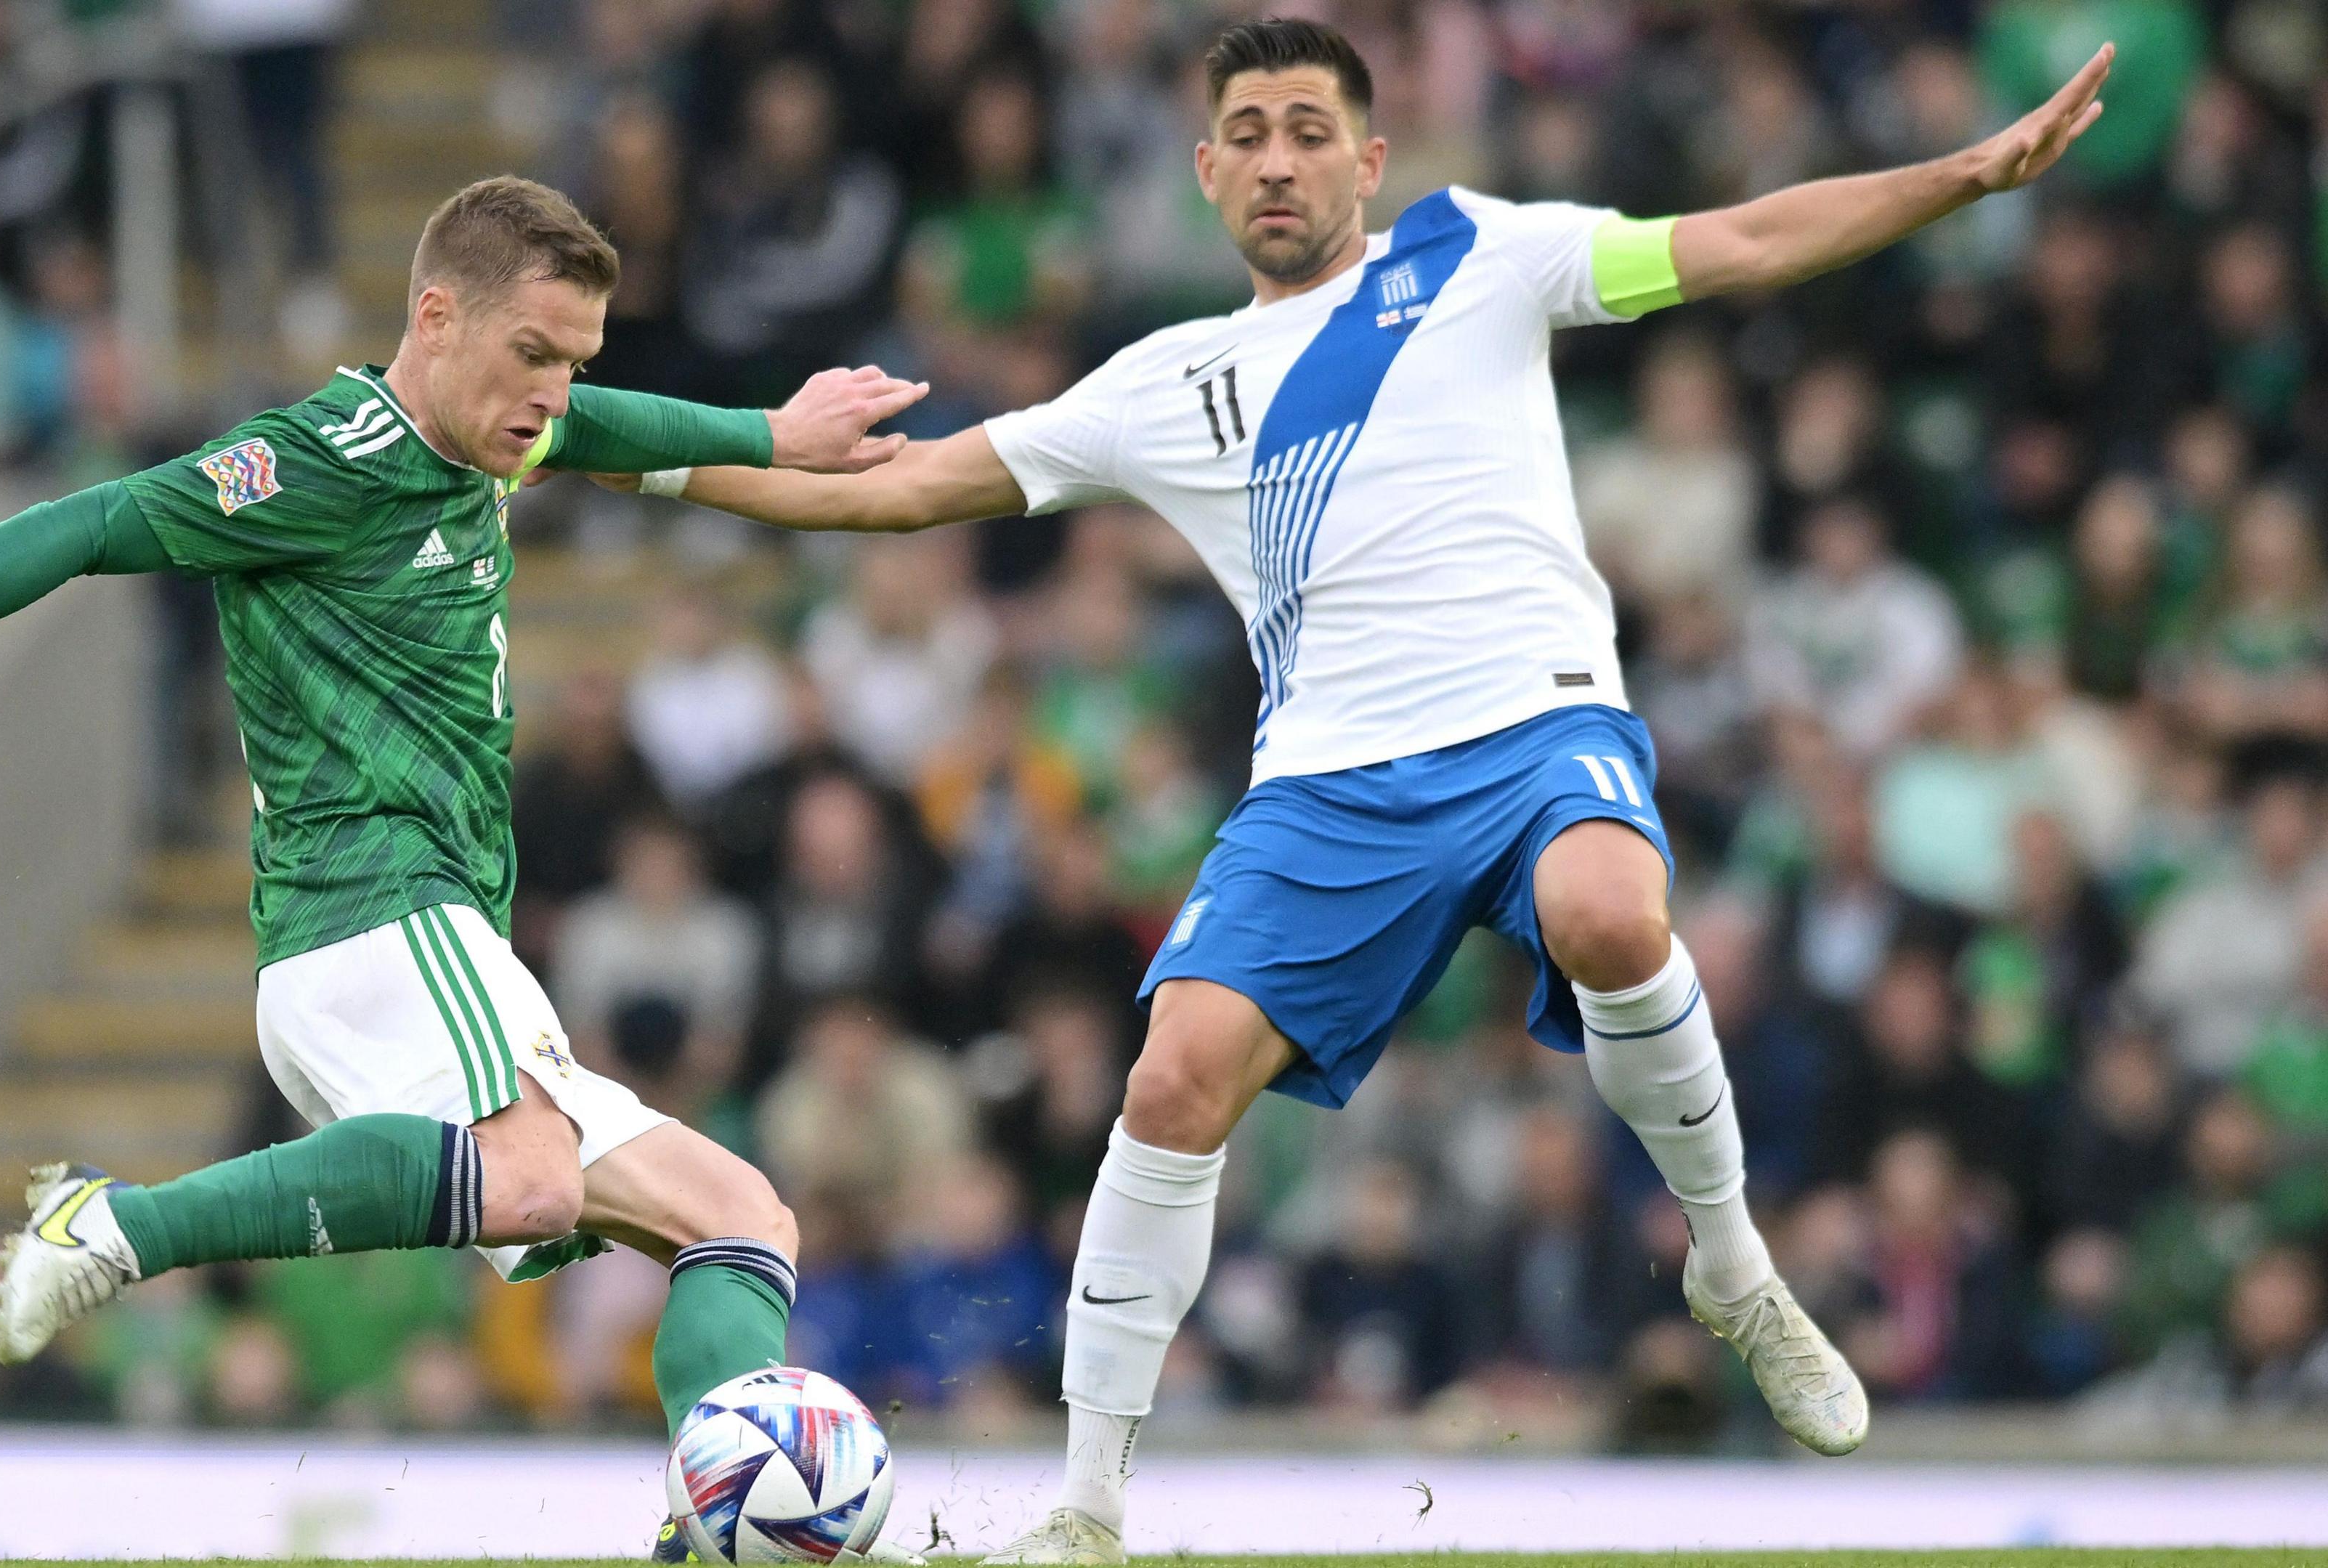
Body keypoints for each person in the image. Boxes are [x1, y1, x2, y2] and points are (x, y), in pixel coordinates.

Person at [632, 18, 2114, 1561]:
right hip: (1330, 786)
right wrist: (620, 450)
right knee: (1170, 1080)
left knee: (1610, 908)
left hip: (1535, 726)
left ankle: (1732, 1270)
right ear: (1206, 172)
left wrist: (1964, 175)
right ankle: (1084, 1511)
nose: (1281, 157)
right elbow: (904, 488)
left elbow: (1738, 240)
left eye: (1311, 128)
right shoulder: (1166, 381)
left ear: (1371, 157)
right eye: (1250, 132)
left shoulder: (1485, 253)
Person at [0, 176, 924, 1559]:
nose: (553, 397)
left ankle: (707, 1535)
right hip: (370, 912)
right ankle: (118, 1226)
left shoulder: (503, 432)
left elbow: (615, 430)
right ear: (435, 315)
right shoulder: (318, 461)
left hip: (437, 937)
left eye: (574, 362)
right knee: (527, 1182)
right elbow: (91, 524)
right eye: (532, 357)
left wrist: (775, 432)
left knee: (742, 1221)